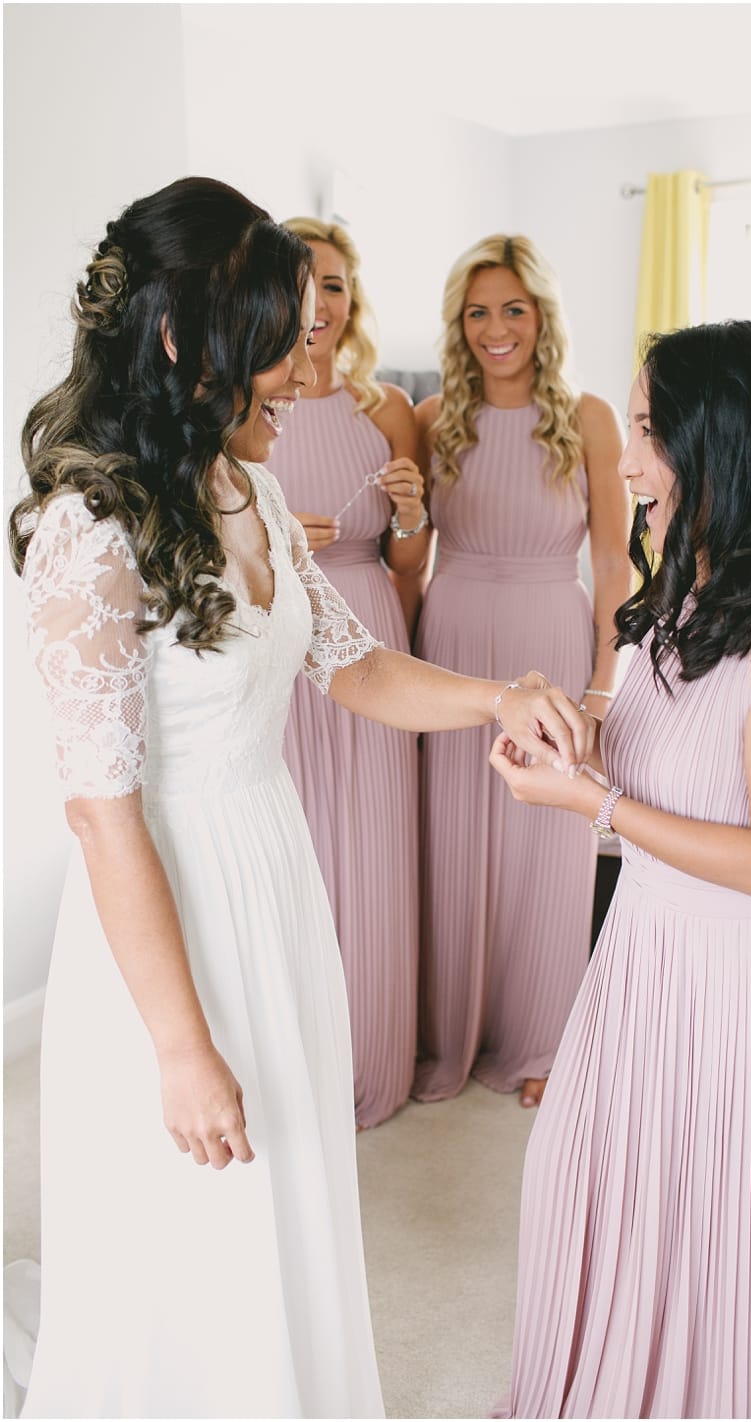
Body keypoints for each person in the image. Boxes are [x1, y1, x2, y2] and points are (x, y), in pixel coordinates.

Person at [8, 176, 593, 1420]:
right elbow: (101, 813)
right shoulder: (89, 527)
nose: (301, 356)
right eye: (274, 335)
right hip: (169, 924)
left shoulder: (249, 486)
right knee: (198, 1232)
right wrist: (179, 1047)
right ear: (181, 339)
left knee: (290, 1202)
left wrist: (495, 699)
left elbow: (356, 664)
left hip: (274, 881)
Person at [489, 321, 751, 1418]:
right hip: (647, 949)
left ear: (725, 443)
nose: (625, 462)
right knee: (585, 1187)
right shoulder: (684, 586)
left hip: (740, 974)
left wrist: (590, 804)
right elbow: (662, 755)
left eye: (649, 432)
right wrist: (569, 733)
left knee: (709, 1230)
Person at [412, 234, 632, 1108]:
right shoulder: (432, 422)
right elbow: (405, 559)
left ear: (542, 316)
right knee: (454, 838)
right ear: (457, 325)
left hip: (551, 631)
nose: (495, 329)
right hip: (454, 637)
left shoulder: (590, 418)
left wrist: (604, 685)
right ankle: (447, 1033)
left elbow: (616, 568)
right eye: (477, 312)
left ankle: (544, 1040)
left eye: (513, 308)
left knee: (548, 846)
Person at [267, 218, 427, 1129]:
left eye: (332, 285)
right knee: (305, 856)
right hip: (284, 651)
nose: (317, 305)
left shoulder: (387, 410)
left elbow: (410, 571)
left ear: (351, 298)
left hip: (373, 631)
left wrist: (409, 517)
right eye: (299, 285)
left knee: (374, 856)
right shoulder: (240, 402)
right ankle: (300, 1065)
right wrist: (283, 547)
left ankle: (373, 1058)